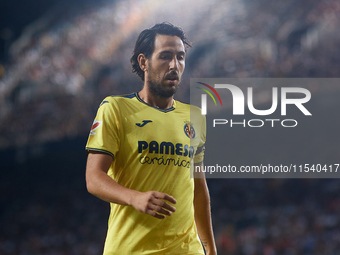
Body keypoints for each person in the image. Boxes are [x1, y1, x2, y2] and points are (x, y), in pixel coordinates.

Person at [85, 22, 216, 255]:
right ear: (143, 62)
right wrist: (134, 198)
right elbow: (94, 178)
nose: (174, 65)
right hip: (131, 249)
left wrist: (210, 250)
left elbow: (197, 189)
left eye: (180, 57)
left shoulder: (194, 117)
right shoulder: (116, 109)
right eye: (165, 56)